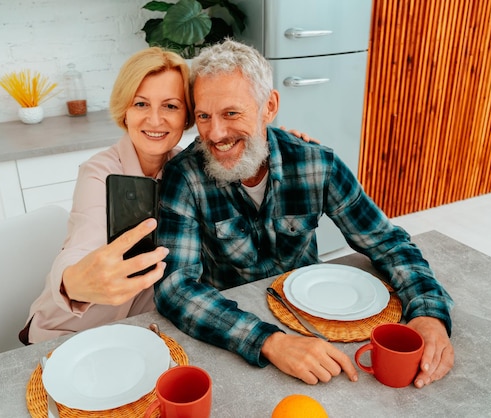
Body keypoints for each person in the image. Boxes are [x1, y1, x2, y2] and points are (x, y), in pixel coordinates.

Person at [154, 40, 455, 388]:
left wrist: (430, 313)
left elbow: (387, 242)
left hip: (318, 321)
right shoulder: (185, 175)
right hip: (231, 330)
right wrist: (268, 341)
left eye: (231, 113)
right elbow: (175, 287)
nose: (215, 133)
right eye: (204, 116)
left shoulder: (318, 164)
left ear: (269, 107)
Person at [22, 47, 314, 344]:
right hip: (73, 333)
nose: (155, 120)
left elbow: (248, 155)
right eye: (141, 104)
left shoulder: (196, 169)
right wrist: (72, 283)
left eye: (171, 106)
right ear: (125, 109)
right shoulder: (99, 173)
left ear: (188, 115)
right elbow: (82, 241)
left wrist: (282, 146)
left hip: (149, 331)